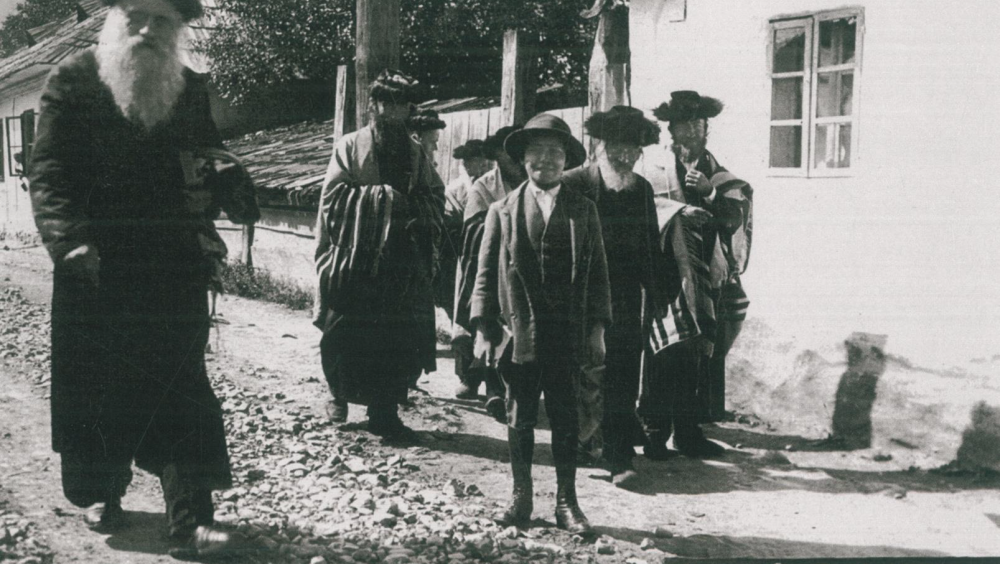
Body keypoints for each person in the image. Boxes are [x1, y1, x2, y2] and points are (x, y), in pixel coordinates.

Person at [28, 0, 247, 557]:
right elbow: (48, 172)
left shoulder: (188, 86)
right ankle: (105, 490)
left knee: (182, 386)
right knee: (100, 387)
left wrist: (227, 174)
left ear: (179, 30)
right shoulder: (72, 80)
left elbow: (207, 151)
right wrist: (68, 240)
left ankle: (193, 519)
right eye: (138, 15)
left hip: (172, 263)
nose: (148, 29)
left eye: (163, 20)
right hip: (94, 264)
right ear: (114, 19)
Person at [470, 113, 610, 535]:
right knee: (520, 414)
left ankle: (567, 503)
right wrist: (481, 329)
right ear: (523, 159)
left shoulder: (584, 210)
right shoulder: (503, 210)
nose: (546, 161)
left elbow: (600, 274)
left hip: (566, 330)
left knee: (566, 417)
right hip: (519, 334)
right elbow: (483, 274)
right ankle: (521, 498)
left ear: (566, 160)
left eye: (555, 153)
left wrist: (598, 329)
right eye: (537, 152)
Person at [314, 69, 445, 439]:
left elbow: (434, 195)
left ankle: (384, 413)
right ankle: (338, 394)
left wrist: (411, 208)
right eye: (386, 102)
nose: (393, 111)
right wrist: (385, 200)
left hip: (401, 262)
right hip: (357, 255)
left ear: (408, 109)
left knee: (398, 338)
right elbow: (333, 198)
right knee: (343, 332)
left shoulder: (416, 151)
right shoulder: (351, 146)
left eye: (401, 104)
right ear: (374, 105)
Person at [563, 106, 679, 485]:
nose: (626, 155)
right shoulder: (575, 183)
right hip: (580, 296)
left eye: (634, 148)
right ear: (603, 144)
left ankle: (618, 453)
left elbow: (649, 246)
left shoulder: (641, 189)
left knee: (624, 373)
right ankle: (578, 443)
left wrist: (660, 292)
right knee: (580, 371)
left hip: (626, 298)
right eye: (619, 147)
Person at [639, 90, 753, 458]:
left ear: (706, 129)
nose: (686, 133)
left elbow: (735, 218)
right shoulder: (651, 171)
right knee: (663, 348)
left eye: (694, 124)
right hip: (665, 272)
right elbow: (640, 209)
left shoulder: (721, 177)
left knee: (699, 353)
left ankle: (689, 432)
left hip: (707, 276)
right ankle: (655, 431)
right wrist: (675, 211)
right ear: (670, 131)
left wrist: (710, 195)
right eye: (679, 126)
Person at [451, 126, 524, 420]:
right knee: (490, 328)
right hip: (488, 269)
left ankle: (508, 388)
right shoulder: (484, 187)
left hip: (523, 273)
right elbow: (474, 234)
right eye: (507, 153)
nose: (514, 160)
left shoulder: (532, 180)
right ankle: (490, 388)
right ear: (497, 155)